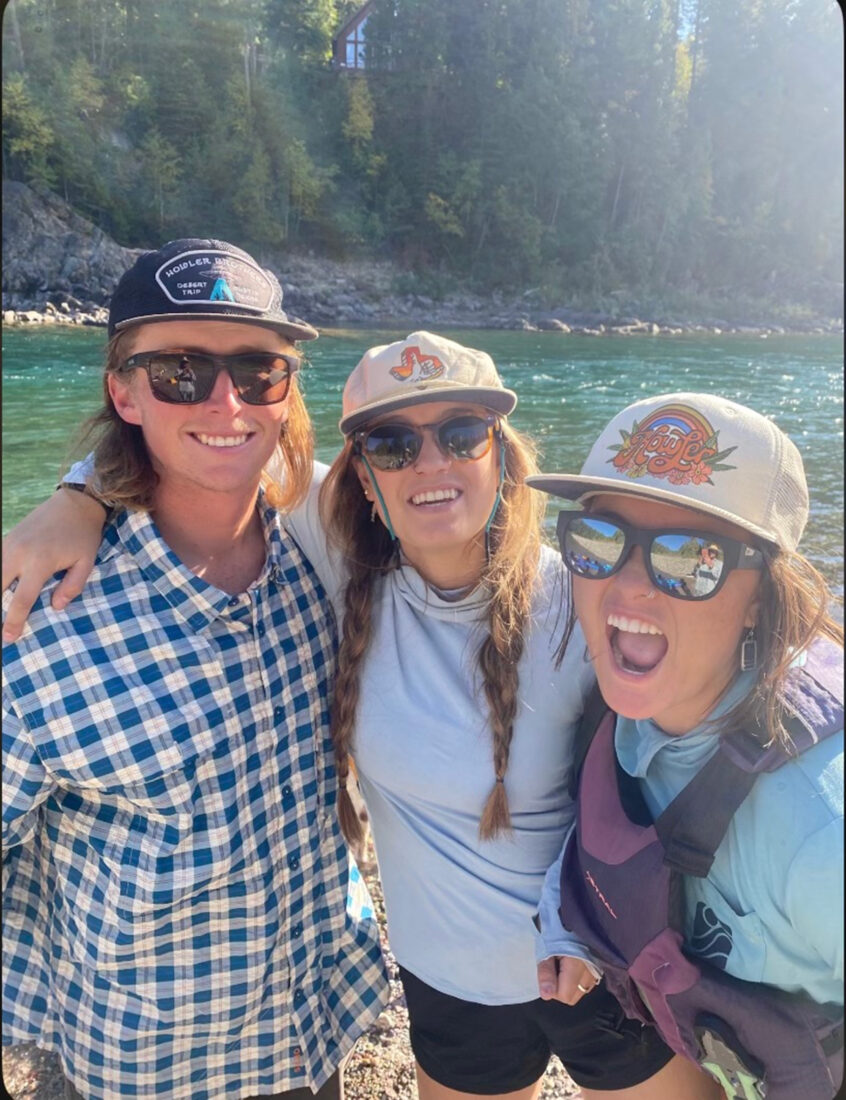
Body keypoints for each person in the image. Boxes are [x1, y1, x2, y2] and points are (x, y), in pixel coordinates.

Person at [3, 336, 721, 1099]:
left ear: (502, 456)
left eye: (461, 434)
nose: (430, 464)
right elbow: (207, 449)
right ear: (364, 480)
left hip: (596, 963)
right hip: (450, 989)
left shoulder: (578, 602)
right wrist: (79, 496)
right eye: (391, 443)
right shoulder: (340, 559)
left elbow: (678, 750)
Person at [2, 238, 389, 1100]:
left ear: (287, 394)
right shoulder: (38, 621)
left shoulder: (321, 548)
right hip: (144, 1069)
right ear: (123, 392)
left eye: (259, 371)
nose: (227, 400)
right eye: (181, 371)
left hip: (309, 1035)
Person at [526, 393, 844, 1099]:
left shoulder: (822, 830)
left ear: (763, 595)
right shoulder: (626, 721)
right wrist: (567, 925)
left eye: (690, 559)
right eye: (598, 541)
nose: (627, 587)